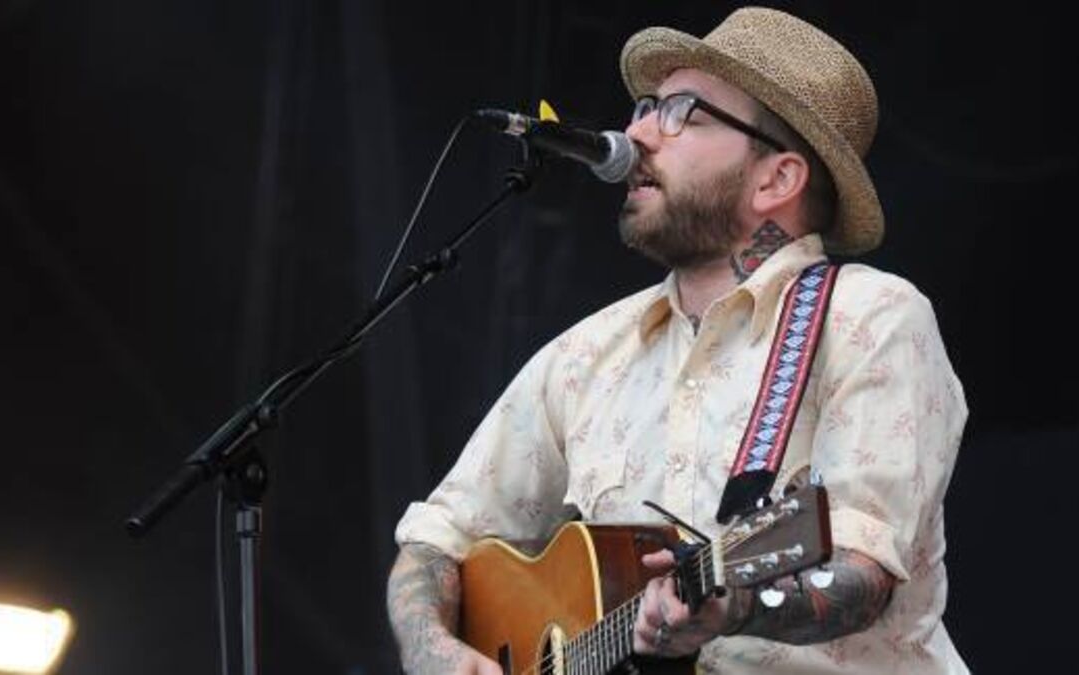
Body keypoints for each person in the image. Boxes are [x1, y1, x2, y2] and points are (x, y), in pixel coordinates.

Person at [386, 6, 967, 674]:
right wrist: (432, 648)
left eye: (682, 113)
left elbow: (863, 572)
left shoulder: (869, 318)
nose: (635, 133)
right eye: (644, 108)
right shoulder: (586, 355)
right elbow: (437, 540)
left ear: (776, 179)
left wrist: (735, 605)